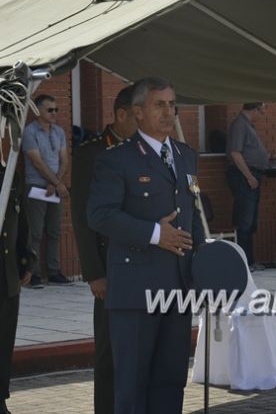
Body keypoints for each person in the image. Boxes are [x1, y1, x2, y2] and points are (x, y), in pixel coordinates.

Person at [87, 77, 205, 414]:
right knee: (133, 385)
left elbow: (193, 215)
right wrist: (155, 234)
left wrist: (202, 269)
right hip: (136, 291)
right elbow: (99, 215)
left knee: (170, 382)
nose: (169, 112)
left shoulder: (185, 156)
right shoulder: (117, 160)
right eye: (159, 105)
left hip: (177, 291)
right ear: (138, 112)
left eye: (172, 104)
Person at [71, 85, 138, 414]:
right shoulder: (93, 153)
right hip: (110, 265)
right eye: (138, 115)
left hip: (145, 264)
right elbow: (82, 217)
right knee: (110, 350)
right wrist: (94, 272)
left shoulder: (147, 150)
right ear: (121, 114)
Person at [21, 94, 71, 287]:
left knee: (54, 231)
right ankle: (31, 273)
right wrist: (56, 183)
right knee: (34, 233)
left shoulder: (58, 132)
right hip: (36, 187)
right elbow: (37, 161)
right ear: (38, 111)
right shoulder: (30, 132)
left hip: (54, 186)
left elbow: (64, 160)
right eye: (50, 110)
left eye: (56, 109)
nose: (54, 113)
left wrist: (56, 182)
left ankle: (53, 271)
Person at [0, 172, 33, 414]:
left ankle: (0, 397)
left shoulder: (10, 176)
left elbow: (21, 221)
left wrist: (26, 261)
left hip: (7, 276)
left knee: (4, 342)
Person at [226, 102, 269, 272]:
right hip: (244, 177)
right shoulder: (240, 125)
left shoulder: (246, 125)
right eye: (262, 110)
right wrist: (249, 176)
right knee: (244, 220)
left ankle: (250, 260)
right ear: (255, 109)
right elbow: (235, 153)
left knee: (250, 221)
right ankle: (243, 261)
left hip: (251, 175)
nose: (262, 115)